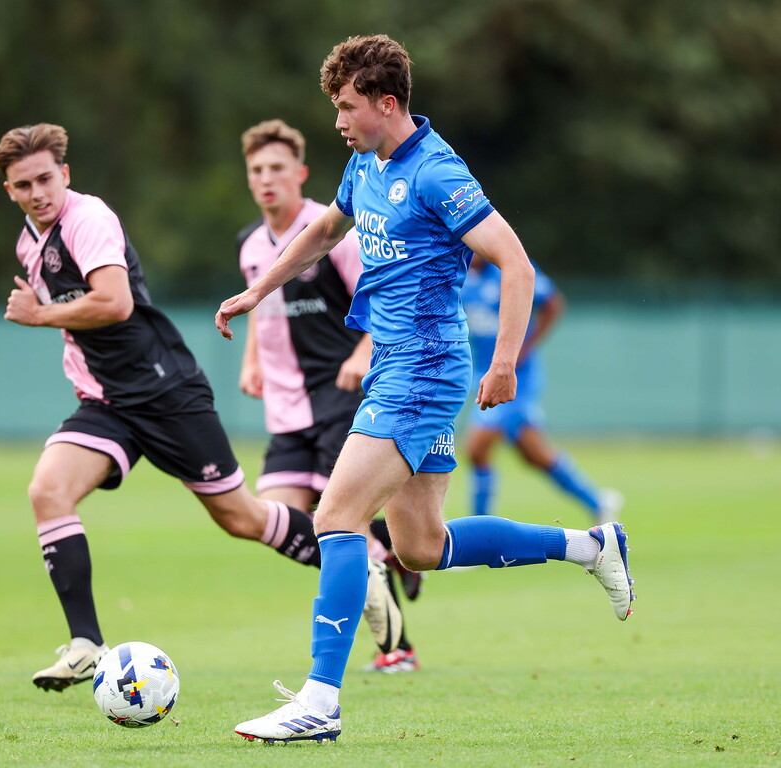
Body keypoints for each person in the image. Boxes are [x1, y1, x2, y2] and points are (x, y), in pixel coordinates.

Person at [215, 34, 634, 743]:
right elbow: (324, 231)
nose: (338, 121)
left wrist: (505, 362)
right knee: (420, 547)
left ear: (387, 103)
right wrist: (258, 290)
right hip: (398, 367)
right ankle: (590, 545)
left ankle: (320, 700)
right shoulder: (364, 162)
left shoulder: (437, 172)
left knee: (336, 517)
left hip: (424, 371)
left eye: (347, 107)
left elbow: (517, 265)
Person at [0, 122, 403, 693]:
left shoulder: (88, 219)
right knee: (47, 491)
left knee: (242, 518)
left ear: (65, 173)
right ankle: (86, 644)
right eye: (22, 185)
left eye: (44, 179)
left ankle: (361, 569)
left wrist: (39, 315)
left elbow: (114, 302)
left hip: (166, 393)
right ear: (9, 191)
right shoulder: (29, 244)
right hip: (108, 401)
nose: (36, 192)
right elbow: (80, 324)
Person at [238, 118, 420, 673]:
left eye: (276, 168)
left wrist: (364, 350)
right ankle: (387, 546)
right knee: (277, 516)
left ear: (301, 174)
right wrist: (251, 360)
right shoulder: (251, 244)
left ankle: (397, 648)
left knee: (339, 518)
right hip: (288, 405)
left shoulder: (331, 229)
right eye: (256, 170)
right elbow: (262, 303)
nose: (266, 179)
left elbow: (382, 291)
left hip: (340, 392)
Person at [462, 253, 624, 522]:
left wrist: (524, 349)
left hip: (515, 379)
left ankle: (477, 528)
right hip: (485, 374)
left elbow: (552, 303)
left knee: (477, 448)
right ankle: (597, 502)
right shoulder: (461, 274)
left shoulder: (506, 268)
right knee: (535, 454)